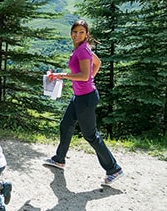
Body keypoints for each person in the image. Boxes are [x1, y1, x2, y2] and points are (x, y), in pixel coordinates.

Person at [43, 19, 124, 186]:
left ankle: (113, 169)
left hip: (86, 98)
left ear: (87, 34)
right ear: (71, 33)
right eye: (75, 31)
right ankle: (59, 159)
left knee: (91, 135)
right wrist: (87, 79)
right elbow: (98, 63)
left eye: (81, 32)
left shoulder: (82, 51)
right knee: (66, 125)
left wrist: (63, 76)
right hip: (80, 96)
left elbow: (84, 76)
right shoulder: (83, 48)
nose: (77, 34)